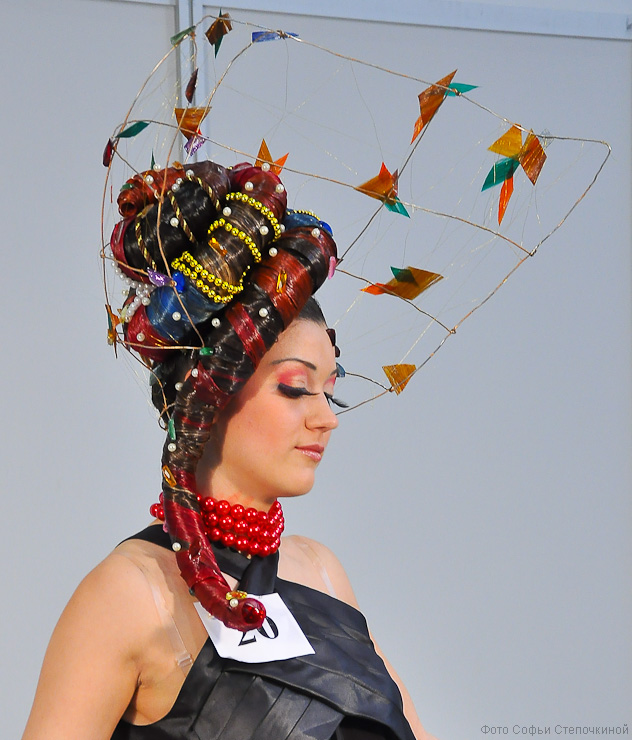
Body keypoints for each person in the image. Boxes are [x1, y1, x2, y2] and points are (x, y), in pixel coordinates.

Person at [22, 159, 436, 740]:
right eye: (295, 388)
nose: (326, 418)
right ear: (207, 392)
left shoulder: (322, 573)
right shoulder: (129, 594)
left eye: (331, 391)